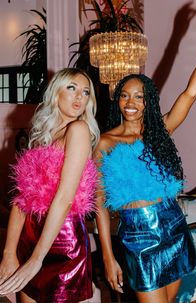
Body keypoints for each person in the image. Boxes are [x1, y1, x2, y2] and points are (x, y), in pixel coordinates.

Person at [94, 2, 196, 303]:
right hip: (137, 238)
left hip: (174, 226)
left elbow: (191, 92)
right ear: (117, 100)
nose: (131, 102)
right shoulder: (103, 143)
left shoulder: (159, 133)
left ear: (150, 103)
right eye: (125, 96)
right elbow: (99, 204)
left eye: (140, 97)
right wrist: (108, 256)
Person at [0, 68, 100, 303]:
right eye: (72, 88)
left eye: (86, 92)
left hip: (63, 243)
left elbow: (65, 198)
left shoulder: (79, 130)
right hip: (29, 238)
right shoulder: (41, 137)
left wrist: (37, 259)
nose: (79, 97)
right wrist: (9, 252)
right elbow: (21, 200)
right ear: (56, 92)